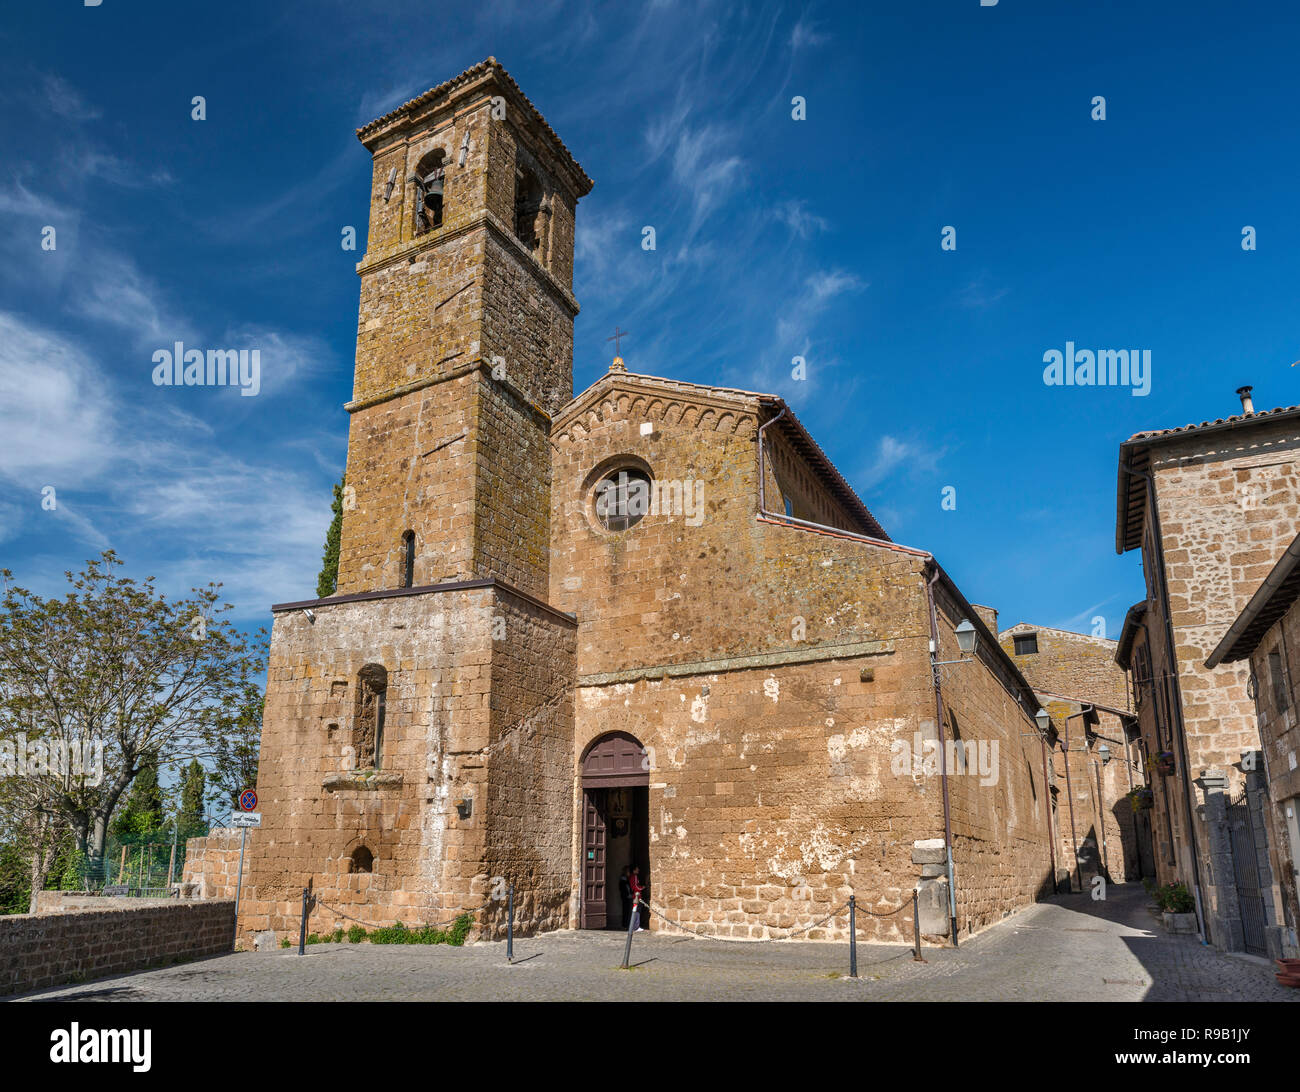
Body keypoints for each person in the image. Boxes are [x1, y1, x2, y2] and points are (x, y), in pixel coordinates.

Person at [628, 865, 645, 931]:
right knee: (637, 911)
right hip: (637, 896)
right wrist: (642, 888)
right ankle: (636, 926)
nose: (638, 870)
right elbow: (635, 886)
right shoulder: (634, 876)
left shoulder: (632, 876)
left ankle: (634, 926)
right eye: (637, 869)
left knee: (635, 911)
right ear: (634, 870)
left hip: (635, 896)